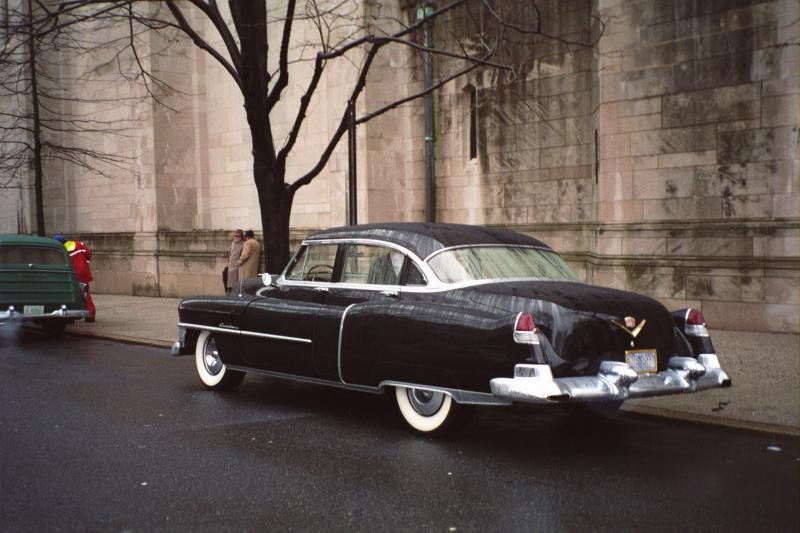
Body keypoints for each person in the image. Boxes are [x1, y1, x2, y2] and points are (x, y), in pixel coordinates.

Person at [54, 234, 96, 322]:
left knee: (70, 295)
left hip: (73, 275)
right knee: (85, 294)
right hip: (84, 273)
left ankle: (70, 316)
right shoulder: (78, 244)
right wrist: (85, 262)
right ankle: (90, 315)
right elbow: (88, 254)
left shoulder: (61, 250)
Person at [225, 229, 244, 294]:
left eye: (238, 236)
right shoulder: (233, 243)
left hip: (237, 266)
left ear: (241, 236)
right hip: (230, 265)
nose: (236, 237)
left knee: (235, 283)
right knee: (228, 283)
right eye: (235, 236)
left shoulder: (243, 244)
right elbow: (230, 253)